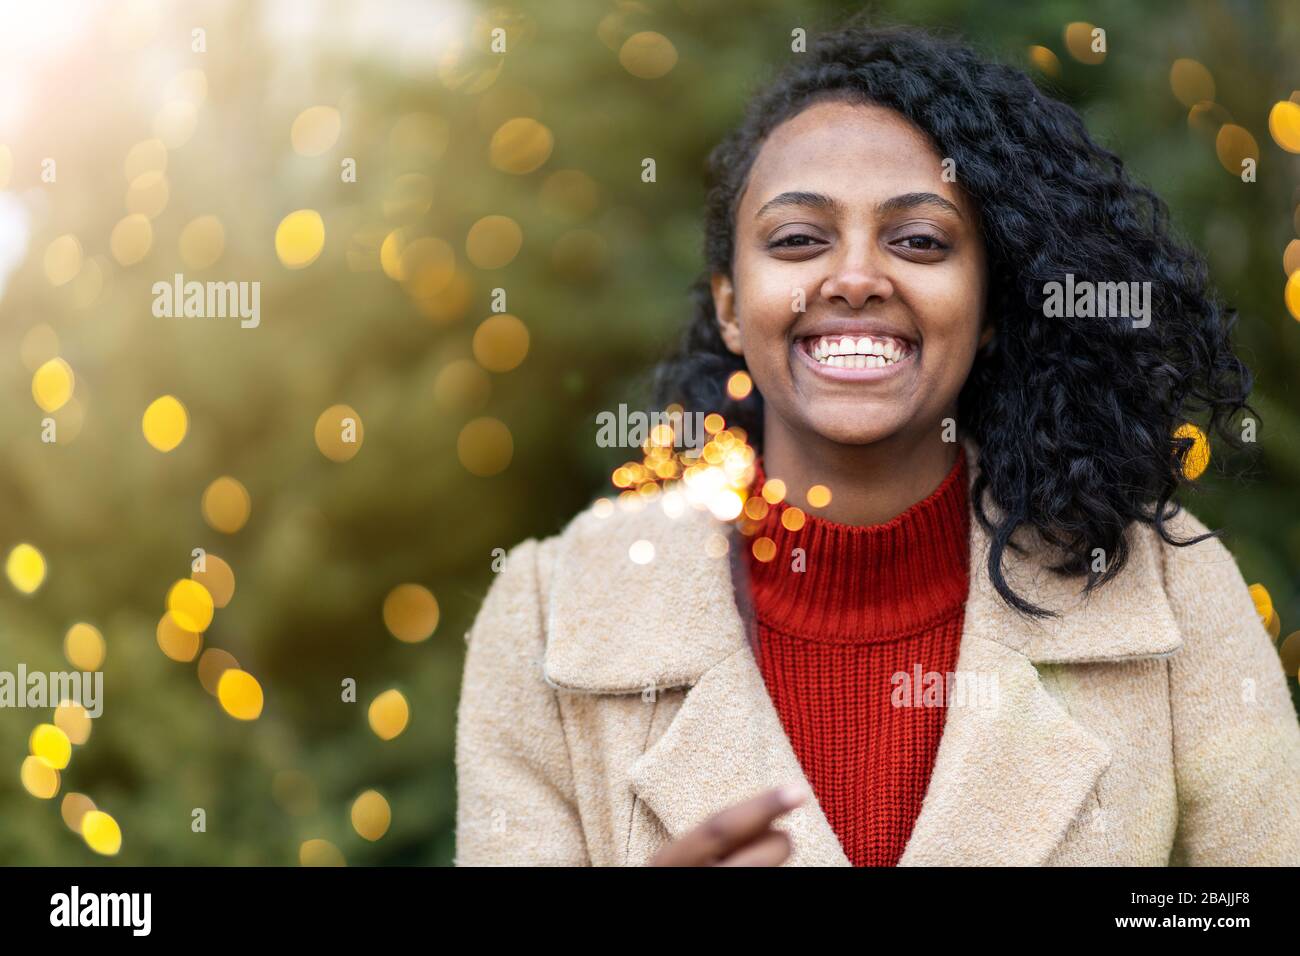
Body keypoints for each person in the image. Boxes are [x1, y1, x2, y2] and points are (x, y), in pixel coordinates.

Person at [454, 17, 1300, 866]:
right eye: (797, 240)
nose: (856, 277)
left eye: (920, 241)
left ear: (992, 305)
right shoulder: (545, 615)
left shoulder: (1173, 588)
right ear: (728, 306)